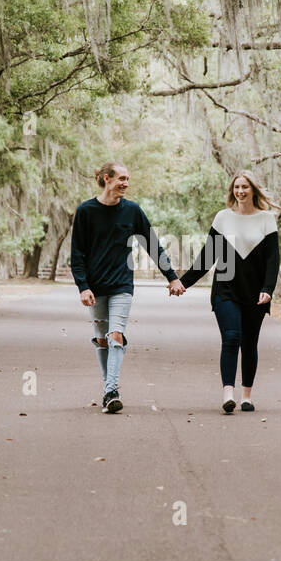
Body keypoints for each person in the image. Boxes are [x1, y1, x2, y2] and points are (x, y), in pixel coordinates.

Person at [70, 161, 185, 414]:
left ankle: (112, 390)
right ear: (105, 179)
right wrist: (83, 286)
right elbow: (77, 253)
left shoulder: (132, 211)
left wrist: (172, 277)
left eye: (127, 179)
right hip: (95, 287)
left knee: (115, 336)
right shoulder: (86, 211)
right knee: (102, 340)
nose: (125, 183)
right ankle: (108, 388)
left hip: (122, 284)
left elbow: (153, 245)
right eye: (121, 178)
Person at [178, 171, 280, 413]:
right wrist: (183, 282)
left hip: (256, 292)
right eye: (237, 187)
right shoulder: (223, 218)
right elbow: (207, 256)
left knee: (249, 342)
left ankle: (246, 396)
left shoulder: (267, 219)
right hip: (226, 288)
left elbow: (273, 259)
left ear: (253, 190)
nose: (240, 191)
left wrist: (268, 289)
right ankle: (228, 394)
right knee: (232, 337)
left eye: (245, 187)